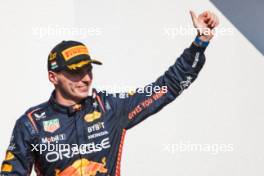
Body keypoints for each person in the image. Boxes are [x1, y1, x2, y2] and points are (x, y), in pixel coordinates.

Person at [1, 11, 219, 176]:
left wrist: (200, 43)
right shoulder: (31, 124)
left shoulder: (110, 108)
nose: (86, 78)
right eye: (76, 72)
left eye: (88, 70)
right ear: (53, 77)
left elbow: (167, 87)